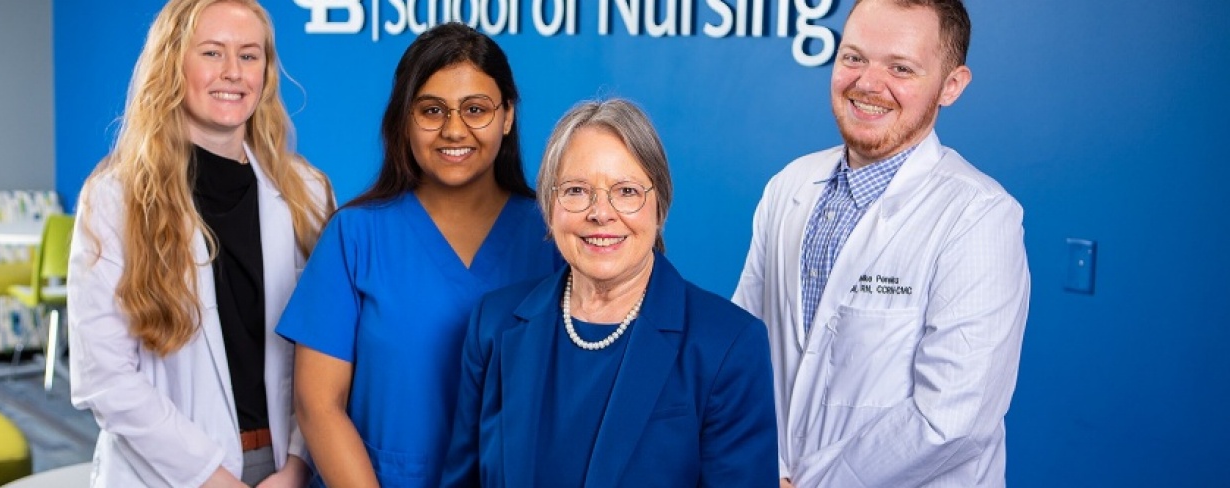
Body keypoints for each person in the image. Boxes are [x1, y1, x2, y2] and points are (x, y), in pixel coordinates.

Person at [732, 0, 1030, 486]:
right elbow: (742, 350)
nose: (868, 83)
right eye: (853, 57)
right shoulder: (789, 186)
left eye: (901, 68)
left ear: (950, 86)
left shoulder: (978, 217)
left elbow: (952, 417)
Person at [276, 22, 561, 488]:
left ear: (507, 116)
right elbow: (317, 404)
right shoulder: (356, 236)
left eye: (476, 109)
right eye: (432, 110)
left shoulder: (553, 238)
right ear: (404, 119)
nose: (454, 129)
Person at [442, 99, 780, 487]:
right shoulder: (494, 323)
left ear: (658, 206)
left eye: (626, 191)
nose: (601, 213)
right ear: (551, 208)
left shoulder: (728, 343)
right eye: (576, 190)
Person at [67, 0, 337, 486]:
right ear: (174, 63)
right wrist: (212, 478)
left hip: (286, 466)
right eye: (212, 53)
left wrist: (297, 465)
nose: (233, 73)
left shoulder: (307, 193)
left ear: (266, 72)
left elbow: (327, 351)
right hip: (171, 472)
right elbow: (103, 376)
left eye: (249, 56)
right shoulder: (114, 198)